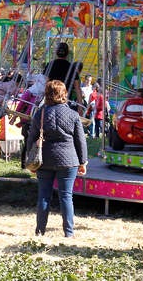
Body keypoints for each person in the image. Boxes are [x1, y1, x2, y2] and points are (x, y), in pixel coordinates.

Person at [27, 80, 88, 238]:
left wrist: (31, 161)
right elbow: (80, 141)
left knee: (44, 196)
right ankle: (69, 232)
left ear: (46, 94)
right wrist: (83, 162)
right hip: (69, 160)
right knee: (66, 196)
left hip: (44, 159)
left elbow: (31, 138)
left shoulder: (39, 113)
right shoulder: (73, 114)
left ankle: (40, 231)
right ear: (64, 94)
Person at [11, 74, 46, 169]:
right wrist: (14, 118)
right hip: (29, 120)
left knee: (38, 142)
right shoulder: (30, 92)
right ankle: (25, 165)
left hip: (41, 121)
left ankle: (37, 163)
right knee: (28, 142)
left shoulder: (45, 94)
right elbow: (21, 105)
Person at [45, 42, 83, 112]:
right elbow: (78, 88)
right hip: (65, 101)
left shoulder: (50, 65)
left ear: (56, 52)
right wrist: (80, 107)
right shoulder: (72, 68)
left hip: (50, 101)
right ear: (68, 53)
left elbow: (45, 83)